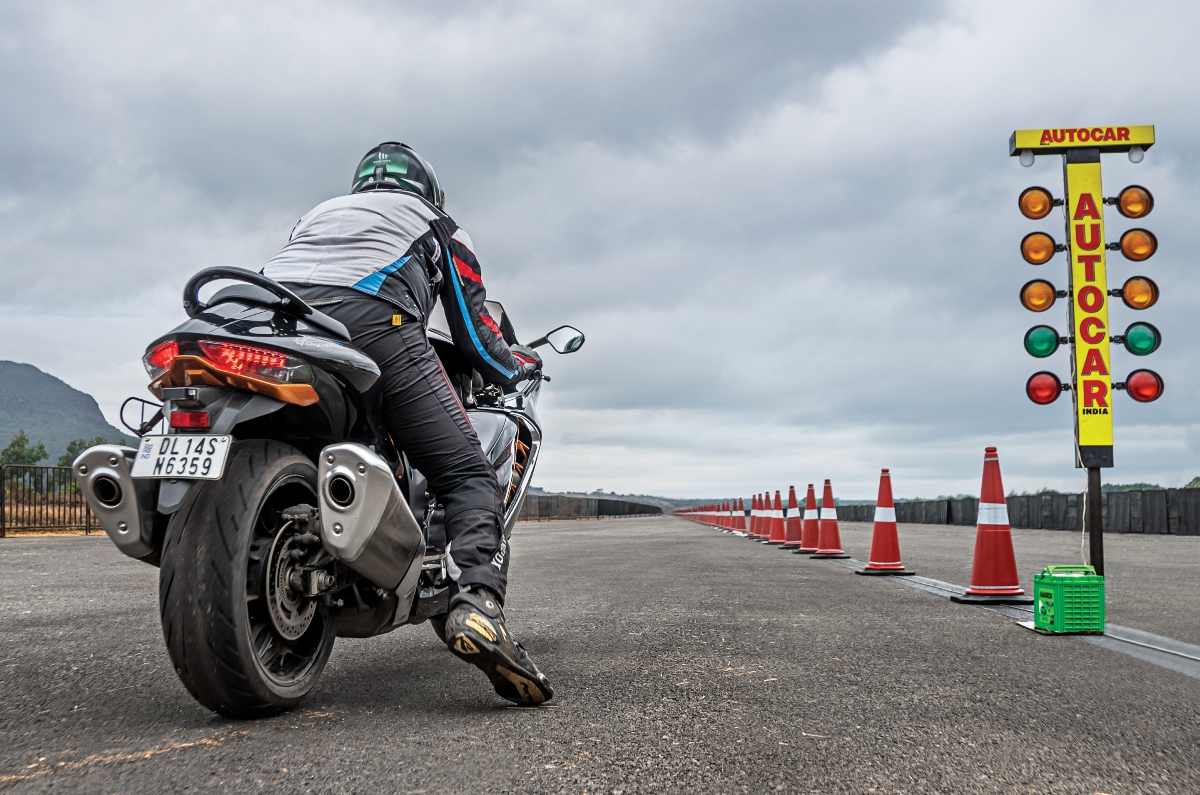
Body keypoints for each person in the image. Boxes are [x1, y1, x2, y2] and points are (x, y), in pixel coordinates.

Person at [262, 142, 552, 705]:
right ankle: (476, 603)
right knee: (468, 474)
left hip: (276, 319)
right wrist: (519, 363)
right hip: (373, 320)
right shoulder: (439, 224)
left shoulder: (318, 214)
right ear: (428, 190)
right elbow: (473, 336)